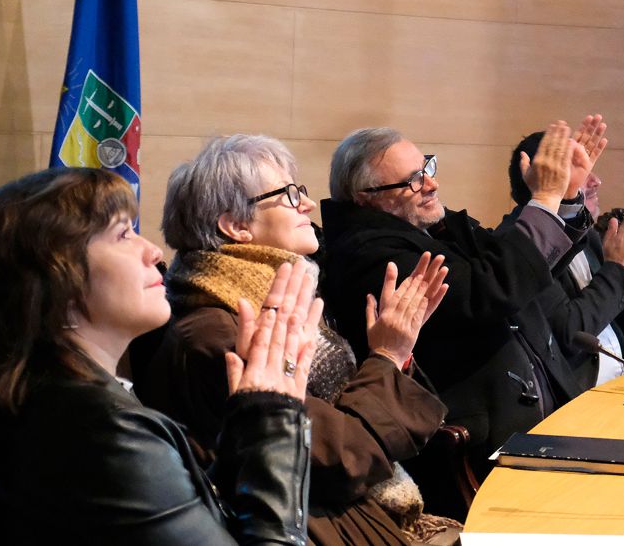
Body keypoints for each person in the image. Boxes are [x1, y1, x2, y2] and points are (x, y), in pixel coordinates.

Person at [0, 167, 316, 545]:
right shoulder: (97, 431)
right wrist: (278, 417)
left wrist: (250, 425)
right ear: (59, 277)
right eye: (123, 233)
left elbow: (195, 514)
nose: (153, 251)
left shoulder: (58, 400)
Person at [134, 135, 456, 546]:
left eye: (300, 190)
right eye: (288, 194)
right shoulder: (219, 333)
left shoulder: (272, 298)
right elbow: (337, 457)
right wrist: (387, 357)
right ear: (235, 225)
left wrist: (395, 353)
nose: (306, 203)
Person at [319, 120, 605, 477]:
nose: (431, 184)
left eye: (427, 167)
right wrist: (544, 199)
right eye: (414, 180)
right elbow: (492, 289)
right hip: (482, 446)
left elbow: (526, 270)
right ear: (366, 198)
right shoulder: (370, 256)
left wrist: (564, 199)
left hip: (534, 423)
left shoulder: (429, 224)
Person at [508, 131, 624, 392]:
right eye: (579, 169)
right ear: (542, 179)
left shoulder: (588, 236)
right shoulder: (518, 243)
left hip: (621, 381)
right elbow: (570, 333)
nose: (596, 181)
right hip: (573, 397)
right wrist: (618, 270)